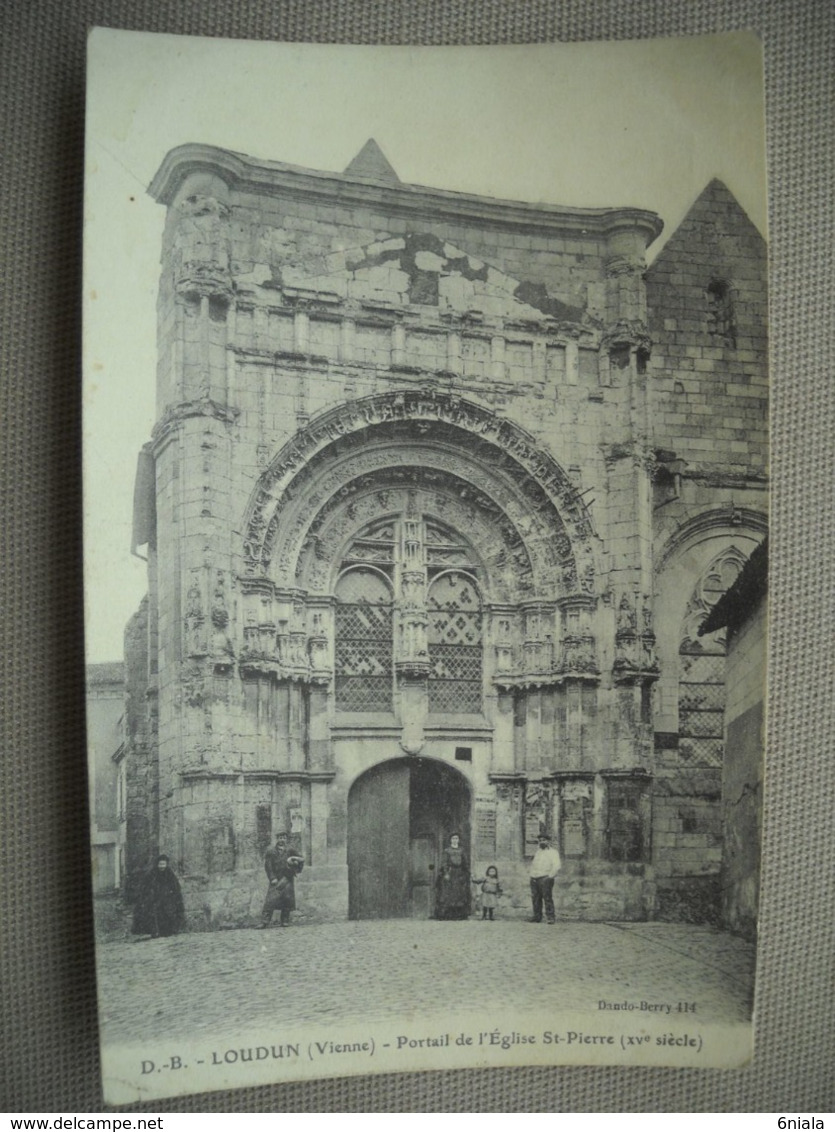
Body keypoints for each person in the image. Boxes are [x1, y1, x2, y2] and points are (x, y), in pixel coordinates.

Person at [132, 854, 185, 938]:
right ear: (157, 864)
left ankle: (168, 931)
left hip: (167, 898)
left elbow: (175, 886)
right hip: (155, 898)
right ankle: (155, 932)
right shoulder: (152, 873)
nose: (162, 867)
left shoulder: (170, 873)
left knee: (167, 913)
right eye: (160, 864)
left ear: (166, 864)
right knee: (154, 914)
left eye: (163, 864)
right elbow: (145, 886)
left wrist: (172, 894)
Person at [259, 832, 304, 928]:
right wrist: (272, 878)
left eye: (284, 837)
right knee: (270, 900)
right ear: (277, 839)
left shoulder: (290, 850)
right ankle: (264, 921)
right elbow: (268, 866)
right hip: (276, 879)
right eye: (280, 837)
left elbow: (301, 858)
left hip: (287, 878)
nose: (282, 839)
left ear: (286, 839)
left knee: (287, 900)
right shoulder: (271, 851)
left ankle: (285, 920)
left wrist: (295, 861)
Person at [528, 833, 562, 924]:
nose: (542, 842)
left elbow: (556, 865)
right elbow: (534, 864)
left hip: (545, 878)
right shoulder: (538, 852)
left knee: (547, 898)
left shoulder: (553, 852)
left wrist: (550, 877)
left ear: (548, 841)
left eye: (544, 840)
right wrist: (532, 876)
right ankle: (537, 916)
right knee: (535, 898)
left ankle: (550, 917)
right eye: (540, 840)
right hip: (535, 878)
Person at [435, 833, 470, 920]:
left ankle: (459, 915)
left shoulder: (461, 850)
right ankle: (447, 915)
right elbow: (444, 863)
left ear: (458, 840)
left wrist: (467, 872)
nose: (455, 840)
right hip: (451, 873)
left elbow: (465, 863)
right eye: (453, 838)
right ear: (450, 840)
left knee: (459, 894)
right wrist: (446, 873)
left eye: (456, 838)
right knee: (448, 894)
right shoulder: (447, 851)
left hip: (459, 874)